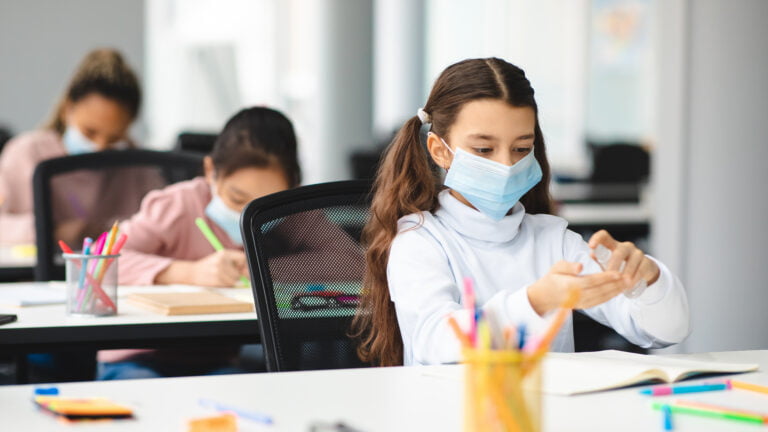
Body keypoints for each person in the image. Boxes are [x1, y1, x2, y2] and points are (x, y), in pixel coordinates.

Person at [352, 58, 690, 367]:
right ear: (440, 151)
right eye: (483, 149)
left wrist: (649, 280)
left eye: (521, 149)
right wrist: (535, 301)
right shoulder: (421, 240)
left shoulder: (553, 240)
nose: (505, 165)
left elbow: (664, 331)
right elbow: (435, 342)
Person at [99, 106, 364, 379]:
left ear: (292, 191)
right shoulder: (178, 204)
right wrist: (188, 273)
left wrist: (261, 269)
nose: (247, 215)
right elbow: (102, 262)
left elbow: (354, 263)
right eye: (237, 199)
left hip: (214, 363)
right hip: (137, 358)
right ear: (211, 170)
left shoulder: (292, 213)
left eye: (265, 207)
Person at [0, 48, 159, 247]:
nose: (100, 147)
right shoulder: (26, 153)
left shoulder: (139, 168)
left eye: (114, 137)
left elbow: (159, 229)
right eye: (90, 132)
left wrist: (102, 231)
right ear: (68, 109)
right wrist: (49, 231)